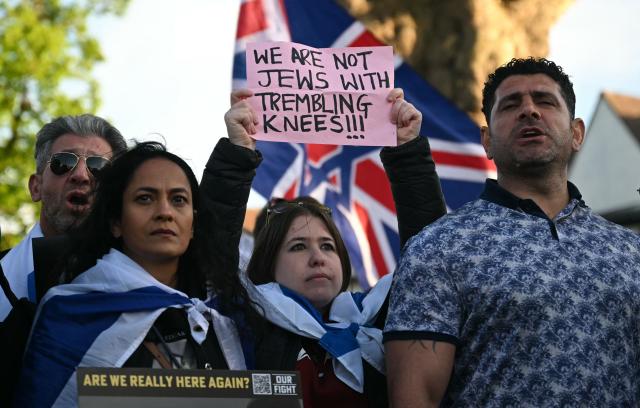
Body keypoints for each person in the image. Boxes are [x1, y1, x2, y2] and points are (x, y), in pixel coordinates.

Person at [384, 57, 640, 406]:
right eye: (511, 104)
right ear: (487, 141)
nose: (529, 111)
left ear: (577, 133)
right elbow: (415, 397)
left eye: (545, 101)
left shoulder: (630, 252)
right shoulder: (438, 248)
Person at [209, 87, 446, 407]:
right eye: (297, 247)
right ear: (268, 265)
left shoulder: (381, 318)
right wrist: (239, 153)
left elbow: (428, 257)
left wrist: (406, 152)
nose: (318, 257)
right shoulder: (246, 323)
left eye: (328, 246)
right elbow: (210, 253)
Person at [15, 142, 257, 408]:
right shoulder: (72, 312)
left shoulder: (222, 314)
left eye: (178, 200)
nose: (165, 212)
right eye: (145, 198)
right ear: (116, 222)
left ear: (193, 225)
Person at [0, 114, 126, 320]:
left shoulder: (144, 281)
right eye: (63, 162)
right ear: (35, 187)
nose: (81, 175)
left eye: (98, 167)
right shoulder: (2, 271)